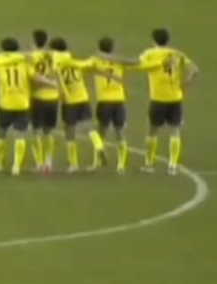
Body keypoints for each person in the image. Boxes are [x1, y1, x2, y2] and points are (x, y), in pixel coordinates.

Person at [134, 29, 198, 175]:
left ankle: (149, 164)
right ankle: (173, 165)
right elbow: (194, 70)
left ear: (153, 40)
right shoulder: (178, 54)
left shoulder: (149, 53)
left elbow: (139, 64)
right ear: (169, 40)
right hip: (175, 97)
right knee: (175, 131)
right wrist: (184, 84)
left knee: (152, 131)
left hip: (158, 98)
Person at [0, 37, 48, 176]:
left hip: (5, 103)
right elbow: (36, 77)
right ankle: (16, 166)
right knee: (20, 135)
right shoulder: (24, 63)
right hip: (22, 103)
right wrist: (51, 83)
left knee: (0, 134)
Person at [50, 38, 94, 174]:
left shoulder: (57, 61)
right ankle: (98, 145)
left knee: (69, 131)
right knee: (88, 127)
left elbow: (57, 75)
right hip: (83, 97)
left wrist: (62, 93)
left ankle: (73, 164)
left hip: (69, 100)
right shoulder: (72, 59)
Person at [87, 37, 129, 172]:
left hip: (104, 101)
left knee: (100, 132)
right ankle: (121, 165)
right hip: (119, 100)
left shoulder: (95, 60)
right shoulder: (119, 62)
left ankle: (97, 162)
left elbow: (83, 66)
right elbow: (137, 62)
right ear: (112, 47)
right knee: (120, 132)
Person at [28, 29, 62, 173]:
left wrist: (49, 83)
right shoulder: (54, 56)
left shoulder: (31, 57)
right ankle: (49, 162)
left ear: (34, 41)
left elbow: (33, 76)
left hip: (38, 98)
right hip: (53, 98)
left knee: (36, 132)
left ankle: (40, 164)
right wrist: (54, 84)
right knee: (48, 132)